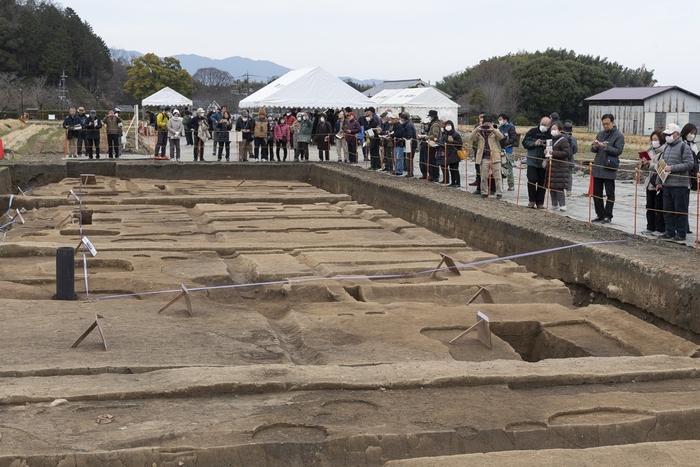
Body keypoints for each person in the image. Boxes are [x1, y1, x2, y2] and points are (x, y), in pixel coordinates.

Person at [659, 123, 694, 242]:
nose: (667, 137)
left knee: (680, 210)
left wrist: (672, 168)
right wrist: (659, 181)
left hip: (680, 184)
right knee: (667, 209)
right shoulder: (666, 148)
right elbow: (661, 165)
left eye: (669, 134)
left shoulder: (684, 147)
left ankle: (681, 233)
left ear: (677, 135)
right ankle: (669, 231)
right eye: (666, 134)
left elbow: (689, 164)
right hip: (667, 184)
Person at [591, 114, 625, 223]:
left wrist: (607, 147)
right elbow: (592, 149)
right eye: (604, 124)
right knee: (596, 193)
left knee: (610, 194)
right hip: (598, 167)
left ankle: (608, 215)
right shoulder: (600, 134)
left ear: (613, 123)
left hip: (609, 167)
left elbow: (619, 151)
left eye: (608, 124)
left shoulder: (619, 135)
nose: (606, 126)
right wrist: (595, 146)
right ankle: (599, 214)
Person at [467, 116, 505, 198]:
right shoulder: (480, 133)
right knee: (483, 176)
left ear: (492, 123)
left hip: (495, 157)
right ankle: (484, 192)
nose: (487, 126)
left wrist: (493, 129)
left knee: (497, 176)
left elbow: (501, 137)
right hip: (484, 157)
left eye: (488, 124)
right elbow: (471, 137)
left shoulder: (495, 131)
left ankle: (499, 192)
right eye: (485, 124)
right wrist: (477, 129)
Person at [640, 130, 666, 236]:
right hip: (649, 183)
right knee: (649, 206)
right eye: (652, 139)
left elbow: (661, 167)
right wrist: (643, 164)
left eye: (656, 139)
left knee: (659, 206)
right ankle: (650, 227)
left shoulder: (665, 152)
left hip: (658, 183)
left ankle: (660, 228)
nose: (653, 141)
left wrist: (649, 165)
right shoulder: (650, 151)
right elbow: (646, 169)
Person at [522, 117, 552, 208]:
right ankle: (531, 200)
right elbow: (525, 142)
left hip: (544, 161)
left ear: (549, 125)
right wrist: (534, 143)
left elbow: (552, 146)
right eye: (542, 124)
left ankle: (540, 202)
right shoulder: (532, 131)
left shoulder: (550, 134)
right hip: (532, 160)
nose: (543, 126)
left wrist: (547, 149)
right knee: (531, 179)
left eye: (545, 125)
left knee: (542, 182)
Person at [545, 122, 572, 211]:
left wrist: (554, 153)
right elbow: (549, 152)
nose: (552, 131)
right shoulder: (551, 140)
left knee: (559, 186)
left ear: (560, 130)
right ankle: (554, 204)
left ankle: (562, 205)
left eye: (555, 129)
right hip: (552, 165)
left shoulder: (564, 140)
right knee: (552, 185)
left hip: (560, 167)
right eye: (551, 129)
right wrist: (546, 152)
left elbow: (566, 153)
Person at [498, 114, 518, 191]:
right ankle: (500, 185)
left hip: (508, 150)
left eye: (500, 119)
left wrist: (504, 143)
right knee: (500, 168)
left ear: (505, 119)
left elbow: (513, 138)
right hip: (500, 150)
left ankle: (511, 184)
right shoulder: (501, 128)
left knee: (509, 167)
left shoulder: (511, 127)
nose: (499, 121)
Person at [442, 120, 463, 187]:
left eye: (449, 125)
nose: (447, 126)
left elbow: (460, 144)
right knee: (451, 169)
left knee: (455, 169)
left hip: (455, 154)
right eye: (446, 125)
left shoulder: (456, 134)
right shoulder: (446, 134)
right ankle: (453, 182)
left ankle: (458, 183)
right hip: (448, 154)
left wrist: (453, 141)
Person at [562, 122, 579, 195]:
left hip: (560, 159)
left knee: (560, 175)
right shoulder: (573, 139)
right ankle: (568, 190)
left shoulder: (560, 137)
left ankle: (560, 189)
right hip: (569, 160)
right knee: (569, 175)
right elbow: (575, 150)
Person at [426, 110, 442, 182]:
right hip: (432, 144)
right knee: (432, 160)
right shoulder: (435, 123)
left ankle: (434, 176)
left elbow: (435, 135)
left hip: (433, 144)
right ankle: (433, 175)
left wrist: (426, 137)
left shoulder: (435, 124)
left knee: (433, 160)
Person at [401, 113, 416, 177]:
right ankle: (409, 172)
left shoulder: (408, 125)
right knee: (409, 158)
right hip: (409, 143)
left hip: (410, 143)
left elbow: (409, 135)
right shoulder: (409, 124)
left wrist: (405, 138)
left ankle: (410, 172)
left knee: (409, 158)